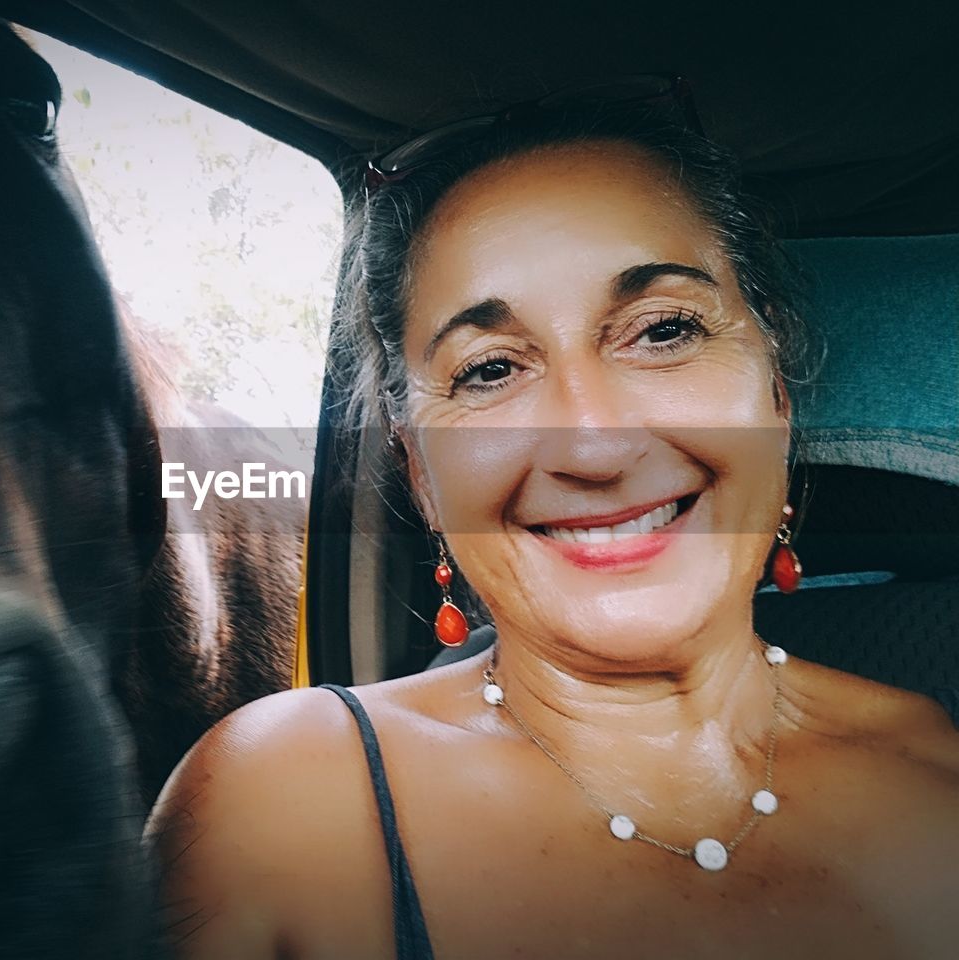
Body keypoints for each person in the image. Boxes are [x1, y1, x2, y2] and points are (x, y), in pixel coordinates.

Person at [145, 88, 959, 959]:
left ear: (777, 394)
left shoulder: (937, 763)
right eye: (491, 370)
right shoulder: (282, 805)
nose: (595, 445)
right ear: (418, 470)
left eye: (663, 330)